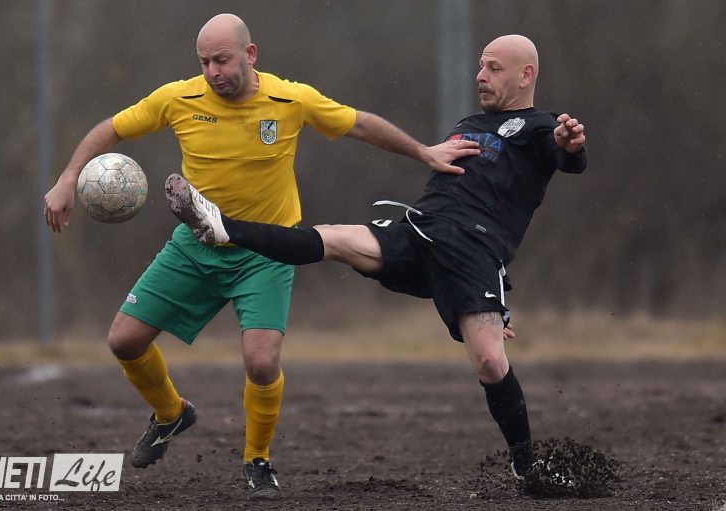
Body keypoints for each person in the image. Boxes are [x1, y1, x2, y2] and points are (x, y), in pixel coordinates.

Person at [43, 13, 478, 501]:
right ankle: (171, 414)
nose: (212, 72)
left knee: (262, 362)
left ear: (250, 55)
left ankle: (257, 460)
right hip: (196, 246)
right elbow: (111, 129)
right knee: (124, 341)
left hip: (265, 252)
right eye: (204, 62)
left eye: (222, 60)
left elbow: (358, 124)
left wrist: (424, 152)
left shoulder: (291, 99)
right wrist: (68, 178)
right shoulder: (177, 99)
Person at [164, 34, 587, 480]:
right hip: (416, 232)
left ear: (526, 75)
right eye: (481, 66)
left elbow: (566, 156)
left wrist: (569, 145)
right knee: (331, 238)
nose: (481, 76)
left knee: (490, 362)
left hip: (471, 253)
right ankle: (222, 227)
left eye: (494, 68)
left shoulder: (539, 127)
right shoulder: (469, 123)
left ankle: (527, 467)